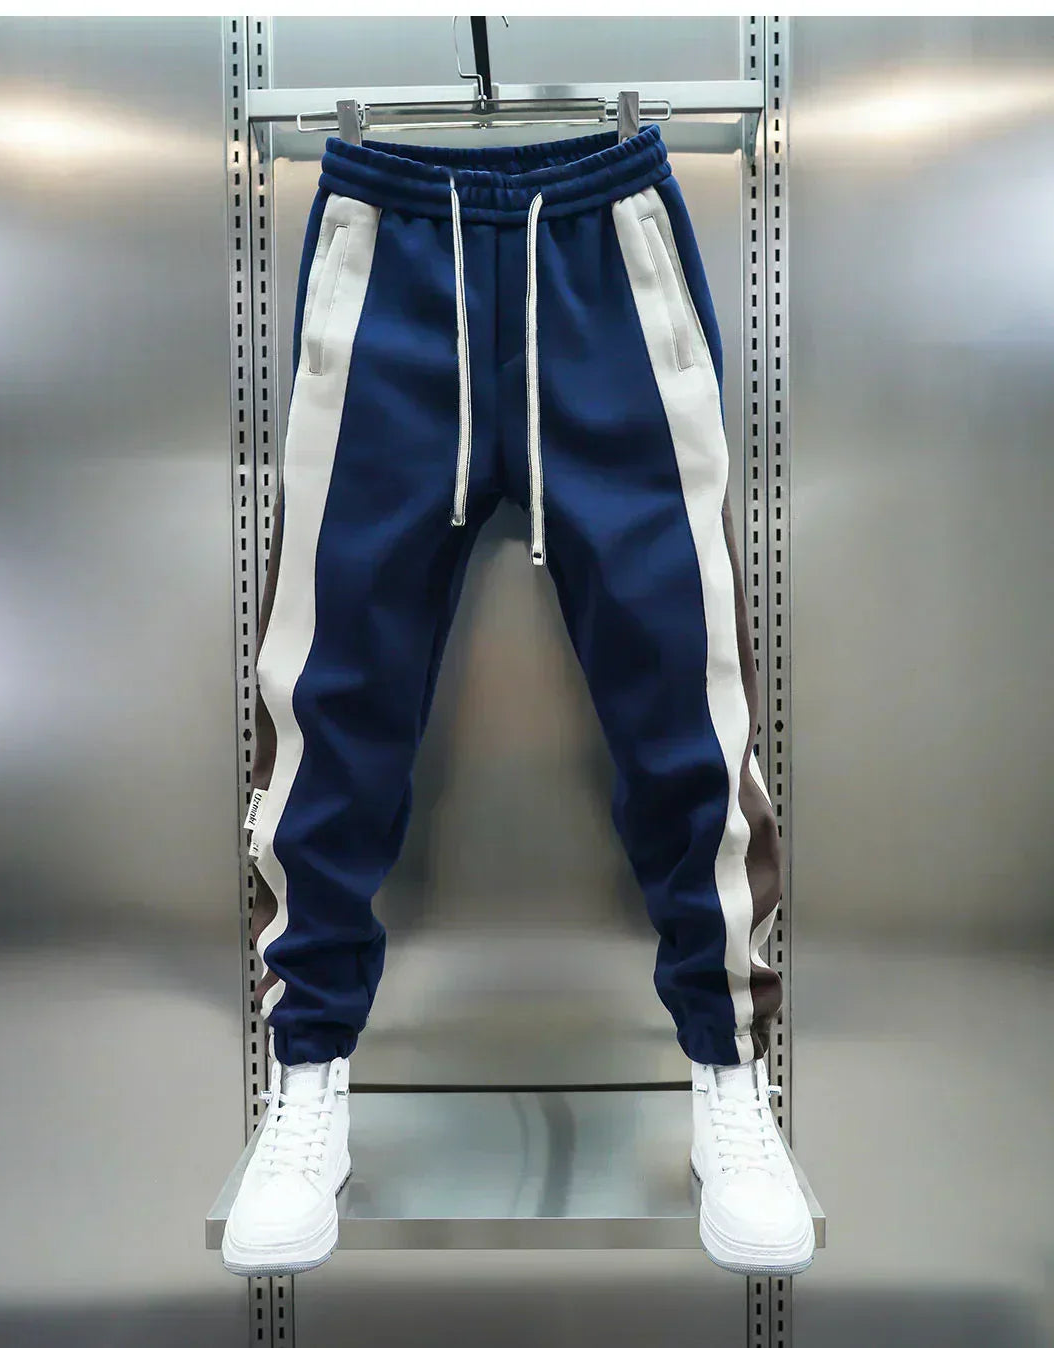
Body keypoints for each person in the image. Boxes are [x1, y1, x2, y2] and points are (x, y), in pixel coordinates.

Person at [221, 124, 815, 1279]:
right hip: (389, 254)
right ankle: (306, 1074)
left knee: (688, 687)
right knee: (327, 686)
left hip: (606, 256)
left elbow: (691, 689)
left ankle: (730, 1073)